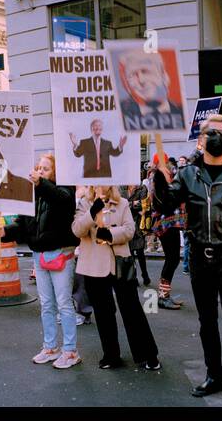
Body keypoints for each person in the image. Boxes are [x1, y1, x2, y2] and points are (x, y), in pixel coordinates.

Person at [152, 114, 222, 406]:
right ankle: (214, 376)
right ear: (201, 139)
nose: (217, 137)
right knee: (207, 323)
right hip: (199, 258)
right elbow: (166, 203)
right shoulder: (188, 174)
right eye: (211, 132)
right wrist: (160, 180)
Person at [0, 153, 83, 369]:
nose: (40, 172)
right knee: (47, 304)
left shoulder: (64, 190)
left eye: (46, 169)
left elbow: (61, 200)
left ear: (55, 172)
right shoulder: (34, 194)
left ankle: (70, 351)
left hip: (60, 253)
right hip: (39, 254)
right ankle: (50, 347)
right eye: (39, 168)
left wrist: (40, 183)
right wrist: (4, 230)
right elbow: (23, 223)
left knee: (63, 304)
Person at [72, 185, 161, 370]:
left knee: (132, 310)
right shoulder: (84, 203)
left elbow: (130, 230)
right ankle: (111, 355)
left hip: (119, 264)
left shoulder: (123, 203)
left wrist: (110, 234)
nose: (100, 185)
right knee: (103, 314)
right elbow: (77, 230)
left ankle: (147, 354)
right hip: (93, 267)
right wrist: (92, 211)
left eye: (105, 180)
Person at [149, 158, 187, 310]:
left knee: (173, 259)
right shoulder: (158, 179)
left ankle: (165, 294)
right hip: (166, 224)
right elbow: (162, 203)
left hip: (171, 224)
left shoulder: (168, 178)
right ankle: (163, 296)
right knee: (172, 259)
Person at [124, 184, 152, 286]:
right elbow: (119, 204)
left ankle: (145, 275)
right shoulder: (122, 188)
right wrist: (132, 204)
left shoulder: (142, 188)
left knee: (140, 252)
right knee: (130, 253)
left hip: (139, 224)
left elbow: (144, 205)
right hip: (127, 225)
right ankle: (134, 277)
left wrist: (128, 204)